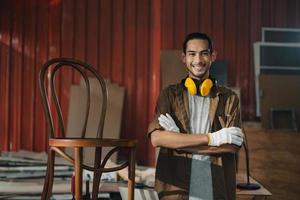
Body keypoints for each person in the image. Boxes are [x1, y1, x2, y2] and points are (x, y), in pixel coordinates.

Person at [148, 32, 244, 200]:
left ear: (213, 56)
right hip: (177, 184)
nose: (198, 60)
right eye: (192, 54)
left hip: (214, 181)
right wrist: (212, 138)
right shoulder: (169, 95)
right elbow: (156, 138)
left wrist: (178, 141)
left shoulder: (229, 99)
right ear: (184, 57)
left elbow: (231, 147)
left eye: (204, 53)